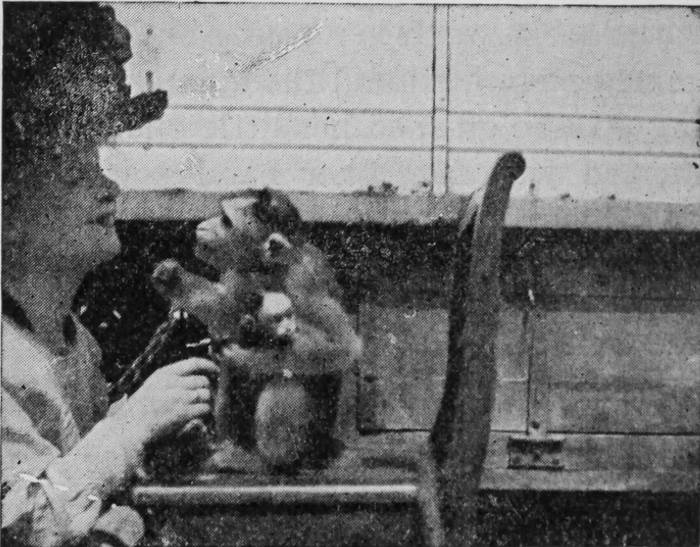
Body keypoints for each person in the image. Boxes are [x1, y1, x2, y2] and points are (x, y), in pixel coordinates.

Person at [2, 4, 219, 546]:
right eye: (76, 174)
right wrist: (130, 429)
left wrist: (151, 439)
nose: (109, 188)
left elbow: (74, 467)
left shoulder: (75, 344)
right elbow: (22, 522)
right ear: (8, 214)